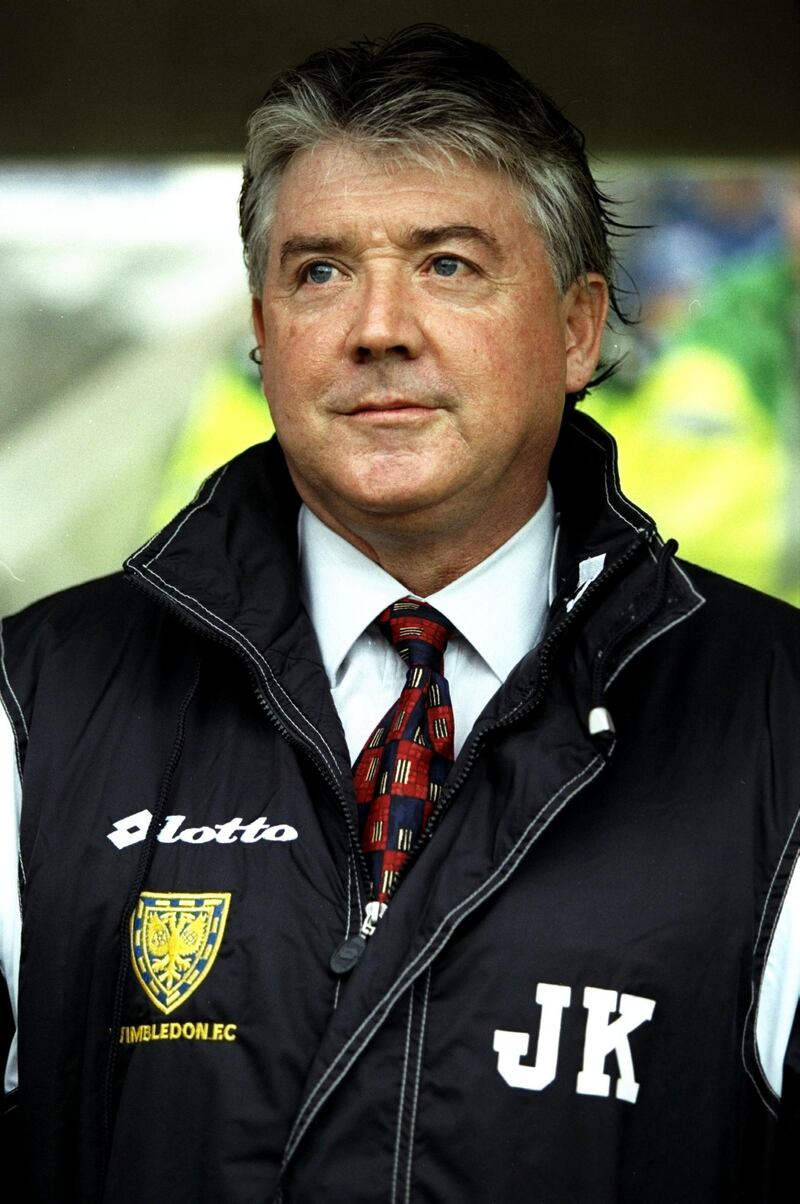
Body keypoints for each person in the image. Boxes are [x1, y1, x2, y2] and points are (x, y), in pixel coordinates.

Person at [1, 24, 798, 1203]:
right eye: (319, 271)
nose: (377, 327)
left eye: (446, 265)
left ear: (578, 329)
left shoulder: (777, 720)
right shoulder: (35, 705)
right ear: (265, 334)